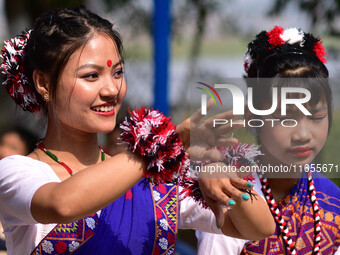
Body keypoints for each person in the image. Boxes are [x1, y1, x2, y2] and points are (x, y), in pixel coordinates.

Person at [0, 6, 275, 255]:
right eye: (91, 76)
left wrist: (216, 174)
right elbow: (63, 205)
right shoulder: (18, 172)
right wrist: (166, 144)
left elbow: (258, 228)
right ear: (43, 83)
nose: (111, 90)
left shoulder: (151, 180)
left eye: (117, 73)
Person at [197, 26, 340, 254]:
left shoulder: (333, 200)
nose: (303, 134)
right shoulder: (227, 193)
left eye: (316, 116)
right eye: (285, 117)